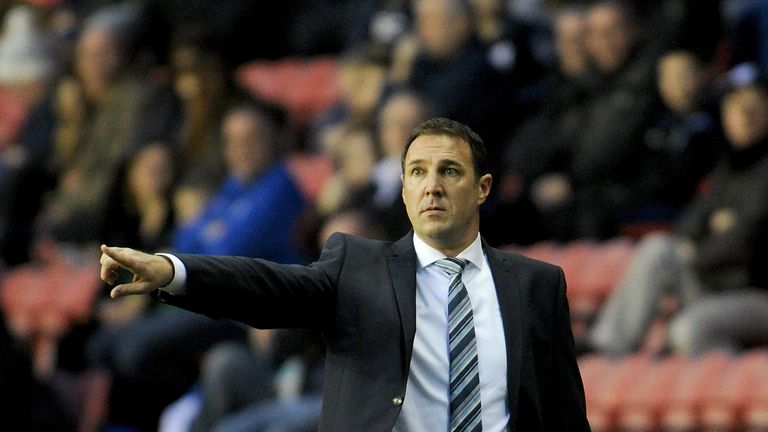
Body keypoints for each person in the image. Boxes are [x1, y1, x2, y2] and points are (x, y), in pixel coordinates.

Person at [99, 117, 590, 431]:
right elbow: (269, 288)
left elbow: (565, 418)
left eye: (450, 171)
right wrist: (172, 270)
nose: (432, 187)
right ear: (402, 189)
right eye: (417, 172)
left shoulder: (536, 285)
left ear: (482, 188)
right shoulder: (359, 266)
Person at [588, 71, 768, 357]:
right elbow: (686, 225)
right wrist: (712, 231)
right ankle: (608, 347)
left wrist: (698, 250)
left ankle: (740, 383)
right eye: (735, 108)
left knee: (687, 328)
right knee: (658, 248)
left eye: (753, 108)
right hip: (716, 285)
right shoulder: (727, 169)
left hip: (756, 294)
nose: (744, 116)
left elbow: (748, 238)